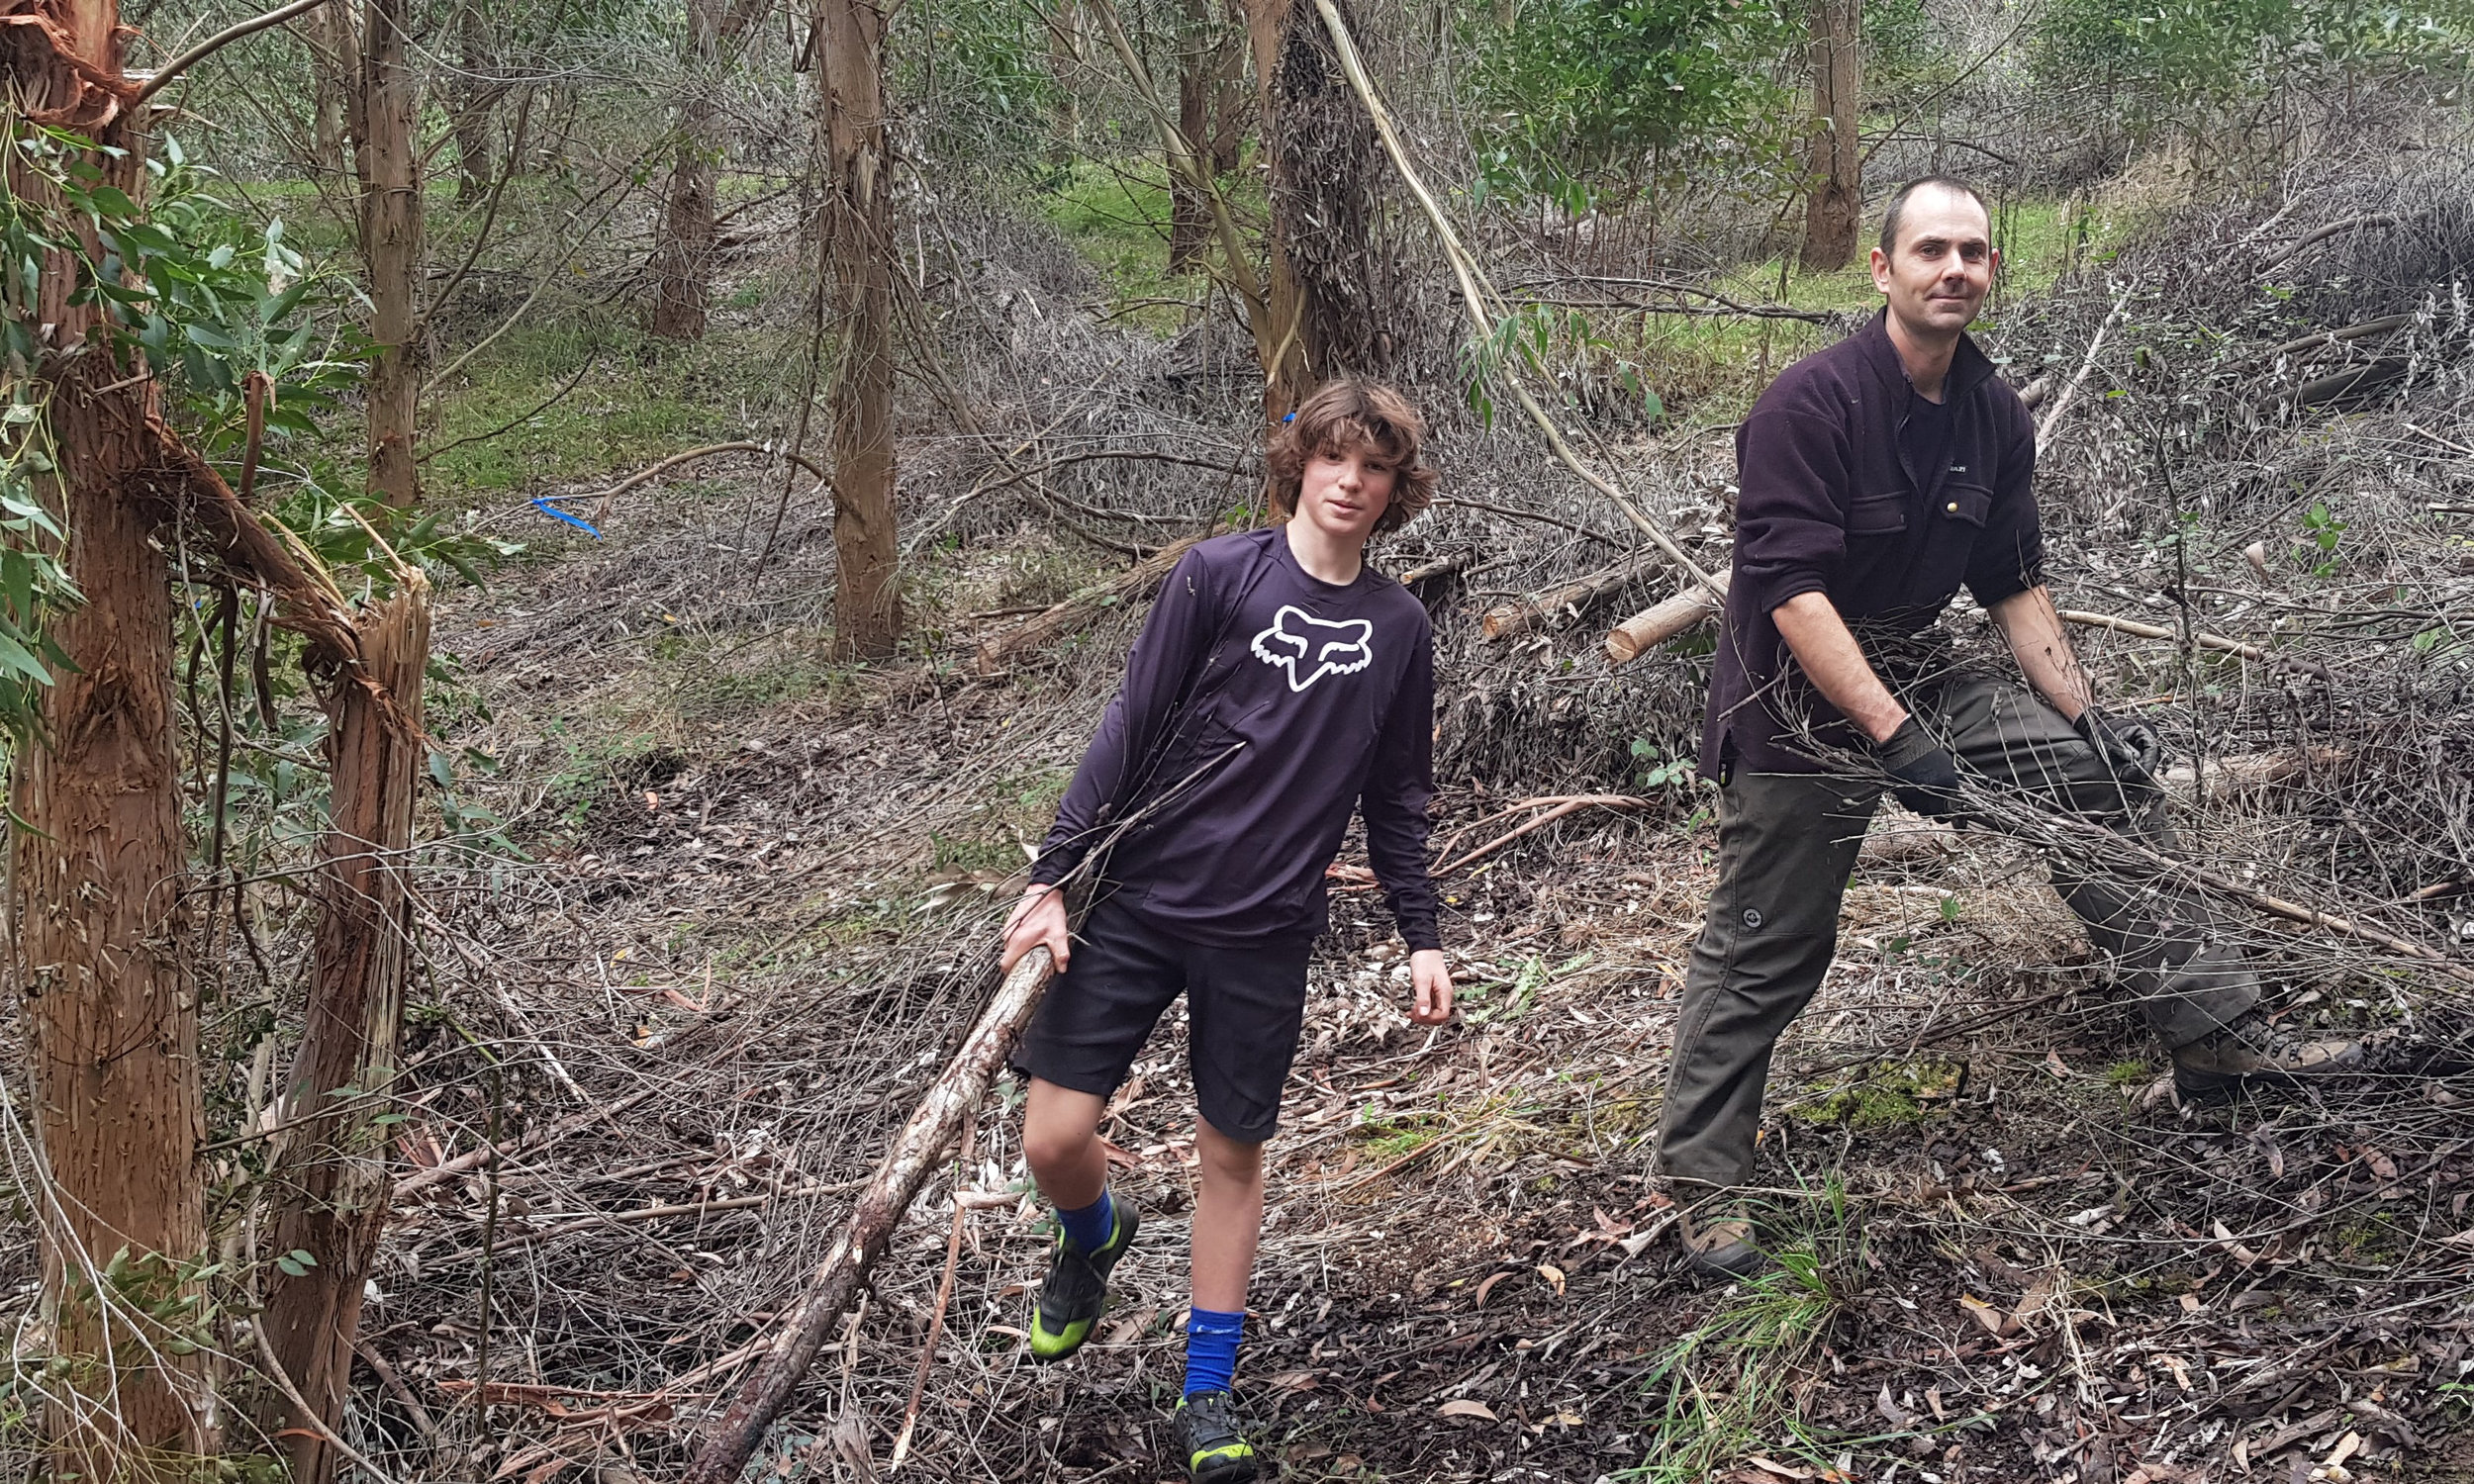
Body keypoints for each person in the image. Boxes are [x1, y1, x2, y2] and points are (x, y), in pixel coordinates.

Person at [1664, 175, 2364, 1278]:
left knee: (2104, 790)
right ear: (1882, 270)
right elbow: (1794, 597)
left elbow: (2013, 583)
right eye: (1931, 249)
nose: (1954, 269)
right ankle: (1702, 1187)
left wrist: (2092, 716)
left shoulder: (1992, 412)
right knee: (1768, 945)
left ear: (1992, 271)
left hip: (1916, 662)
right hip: (1793, 705)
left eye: (1974, 253)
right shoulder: (1808, 406)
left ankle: (2218, 1045)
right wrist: (1897, 741)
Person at [999, 378, 1454, 1484]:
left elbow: (1396, 793)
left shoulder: (1397, 626)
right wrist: (1056, 877)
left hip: (1264, 932)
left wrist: (1421, 931)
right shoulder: (1217, 575)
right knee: (1052, 1140)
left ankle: (1207, 1392)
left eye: (1375, 467)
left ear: (1396, 489)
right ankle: (1091, 1235)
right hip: (1139, 903)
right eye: (1334, 458)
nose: (1351, 481)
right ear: (1297, 464)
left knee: (1231, 1157)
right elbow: (1132, 722)